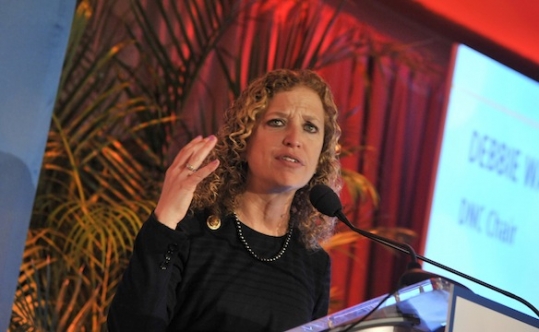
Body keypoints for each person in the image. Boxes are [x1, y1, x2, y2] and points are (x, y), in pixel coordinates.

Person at [107, 68, 342, 331]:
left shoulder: (313, 263)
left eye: (310, 127)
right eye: (277, 122)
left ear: (321, 154)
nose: (294, 139)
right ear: (244, 140)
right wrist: (165, 220)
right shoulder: (190, 230)